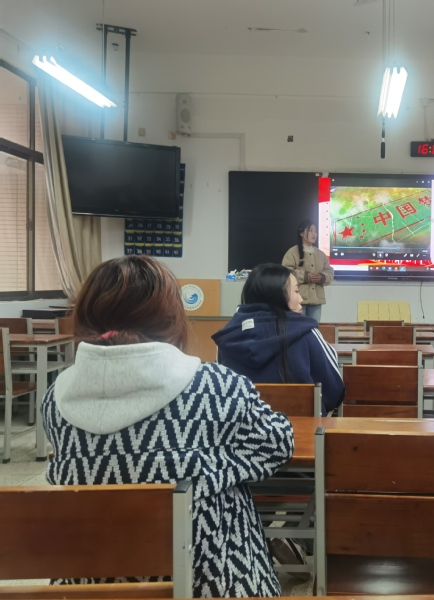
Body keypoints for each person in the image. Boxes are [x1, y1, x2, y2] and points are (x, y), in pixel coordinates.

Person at [42, 256, 294, 598]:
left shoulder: (55, 400)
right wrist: (219, 464)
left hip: (89, 586)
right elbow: (278, 445)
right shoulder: (217, 387)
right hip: (212, 582)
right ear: (173, 318)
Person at [213, 263, 344, 415]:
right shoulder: (307, 334)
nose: (301, 299)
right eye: (296, 291)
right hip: (300, 427)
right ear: (278, 296)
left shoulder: (226, 339)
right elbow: (334, 390)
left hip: (240, 428)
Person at [281, 220, 334, 322]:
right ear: (301, 233)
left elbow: (329, 272)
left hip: (316, 301)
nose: (314, 234)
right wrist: (305, 276)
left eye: (315, 231)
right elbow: (285, 272)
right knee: (299, 328)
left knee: (314, 328)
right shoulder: (292, 252)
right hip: (298, 300)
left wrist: (322, 277)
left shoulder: (320, 254)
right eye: (310, 230)